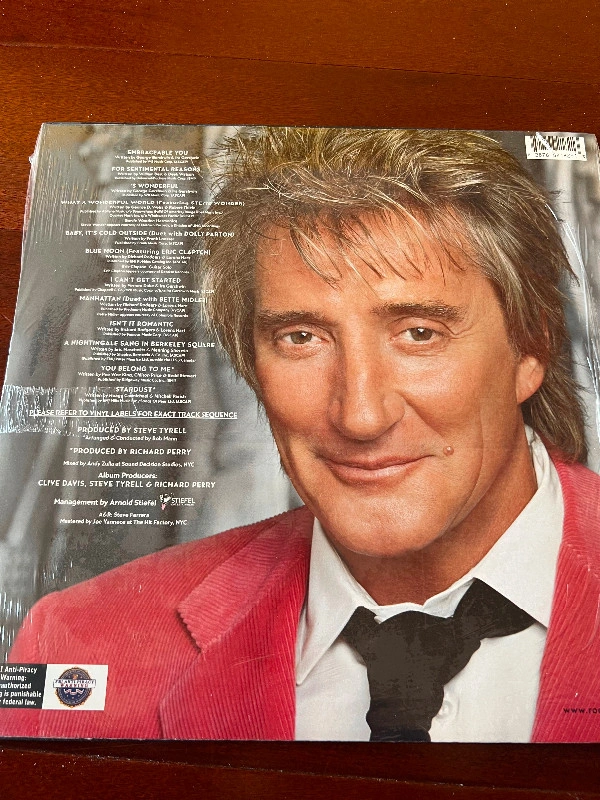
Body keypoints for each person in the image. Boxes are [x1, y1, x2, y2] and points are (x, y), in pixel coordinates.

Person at [2, 127, 600, 742]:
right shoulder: (78, 641)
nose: (360, 416)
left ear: (531, 347)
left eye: (419, 333)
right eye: (301, 338)